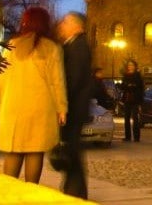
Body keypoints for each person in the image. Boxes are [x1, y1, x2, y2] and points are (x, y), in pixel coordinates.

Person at [0, 7, 67, 184]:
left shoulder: (10, 47)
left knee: (13, 152)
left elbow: (0, 80)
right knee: (34, 152)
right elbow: (57, 81)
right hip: (39, 109)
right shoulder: (51, 48)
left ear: (25, 22)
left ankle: (9, 196)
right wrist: (62, 108)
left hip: (12, 108)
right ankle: (30, 194)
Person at [57, 12, 92, 199]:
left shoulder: (78, 46)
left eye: (65, 22)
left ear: (77, 25)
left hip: (74, 108)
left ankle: (76, 190)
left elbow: (73, 79)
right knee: (72, 149)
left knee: (73, 149)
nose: (62, 25)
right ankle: (73, 188)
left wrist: (63, 103)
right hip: (75, 108)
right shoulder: (72, 44)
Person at [121, 60, 144, 142]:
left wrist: (130, 86)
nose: (130, 66)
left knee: (135, 118)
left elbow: (140, 88)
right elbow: (123, 86)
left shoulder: (138, 76)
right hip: (127, 99)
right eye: (129, 65)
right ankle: (127, 137)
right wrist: (129, 86)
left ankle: (136, 137)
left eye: (132, 65)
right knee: (126, 118)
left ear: (135, 66)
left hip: (135, 99)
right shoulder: (125, 75)